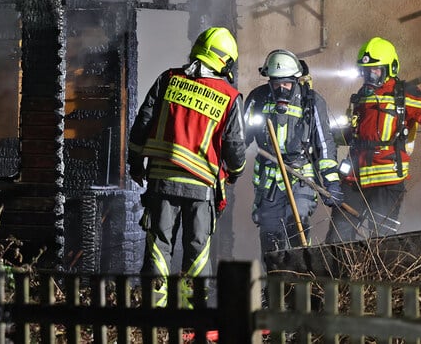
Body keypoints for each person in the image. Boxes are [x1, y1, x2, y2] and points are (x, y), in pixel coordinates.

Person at [127, 26, 246, 308]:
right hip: (201, 187)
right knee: (198, 250)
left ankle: (153, 309)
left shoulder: (169, 80)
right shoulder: (229, 96)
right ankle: (193, 312)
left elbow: (142, 123)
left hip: (161, 179)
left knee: (159, 246)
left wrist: (135, 162)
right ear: (225, 61)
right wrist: (236, 173)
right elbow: (235, 146)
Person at [325, 36, 421, 243]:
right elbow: (354, 134)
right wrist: (325, 137)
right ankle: (335, 274)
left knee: (381, 241)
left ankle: (373, 276)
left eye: (375, 70)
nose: (369, 75)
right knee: (338, 237)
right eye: (366, 70)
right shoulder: (361, 96)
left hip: (387, 181)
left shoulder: (404, 94)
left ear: (390, 68)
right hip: (355, 180)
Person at [243, 49, 342, 258]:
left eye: (286, 84)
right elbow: (240, 138)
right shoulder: (258, 99)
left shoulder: (312, 102)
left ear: (296, 80)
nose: (281, 89)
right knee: (270, 237)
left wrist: (331, 181)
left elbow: (324, 144)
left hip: (300, 179)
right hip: (268, 183)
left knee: (295, 226)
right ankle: (274, 286)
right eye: (276, 84)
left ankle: (300, 282)